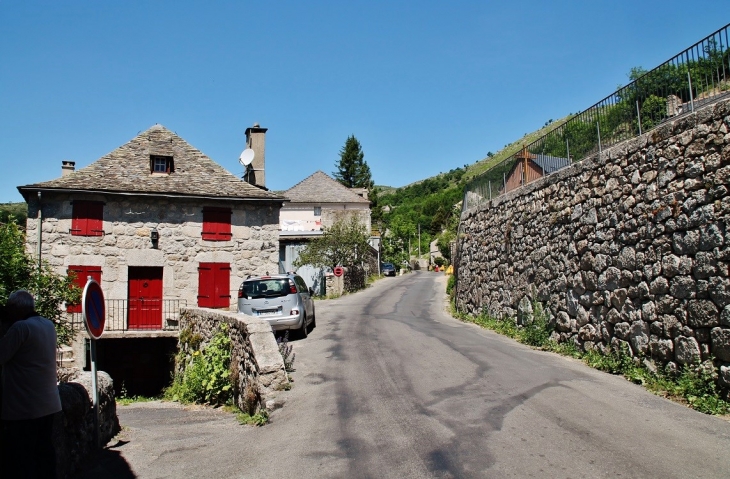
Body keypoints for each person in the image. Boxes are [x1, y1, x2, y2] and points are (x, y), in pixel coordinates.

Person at [0, 290, 62, 479]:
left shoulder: (20, 328)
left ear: (16, 309)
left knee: (22, 459)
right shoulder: (48, 325)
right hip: (49, 403)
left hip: (24, 408)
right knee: (44, 452)